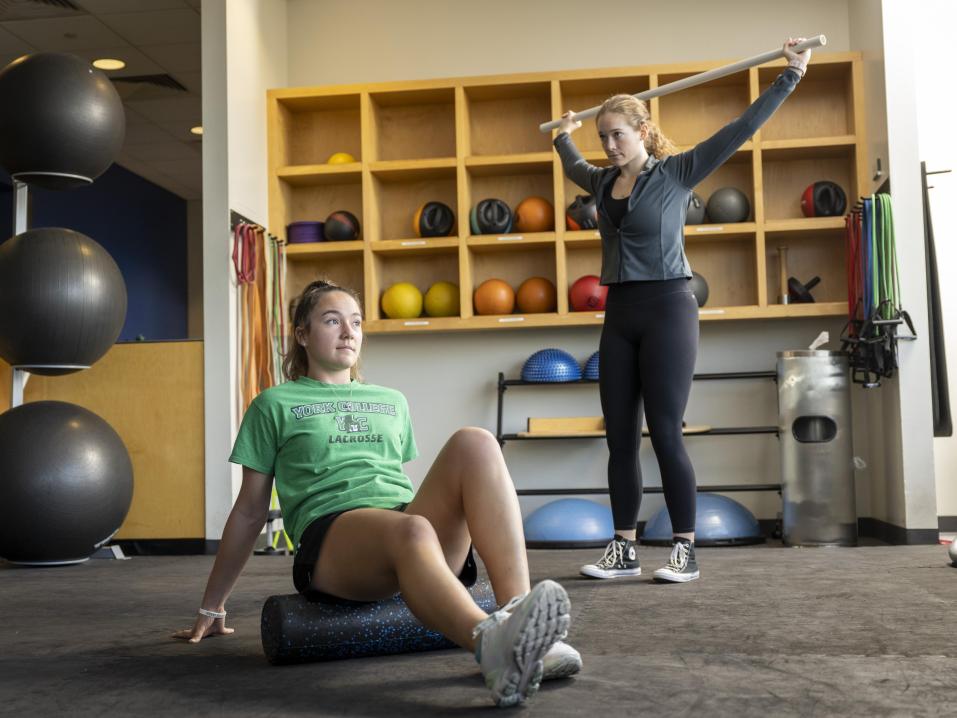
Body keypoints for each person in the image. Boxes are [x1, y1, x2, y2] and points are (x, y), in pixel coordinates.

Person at [174, 279, 580, 707]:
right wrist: (212, 606)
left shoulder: (391, 400)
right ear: (302, 334)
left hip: (405, 527)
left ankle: (519, 622)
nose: (349, 332)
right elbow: (249, 512)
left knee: (475, 441)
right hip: (334, 543)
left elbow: (389, 478)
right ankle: (493, 649)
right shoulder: (273, 404)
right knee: (412, 529)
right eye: (332, 321)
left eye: (355, 322)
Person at [554, 39, 812, 583]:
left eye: (617, 135)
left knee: (666, 431)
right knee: (619, 435)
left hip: (670, 307)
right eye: (603, 137)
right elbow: (575, 164)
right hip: (620, 313)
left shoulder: (677, 173)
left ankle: (684, 548)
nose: (608, 146)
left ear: (642, 133)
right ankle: (623, 547)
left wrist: (791, 74)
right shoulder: (602, 182)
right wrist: (562, 136)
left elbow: (740, 129)